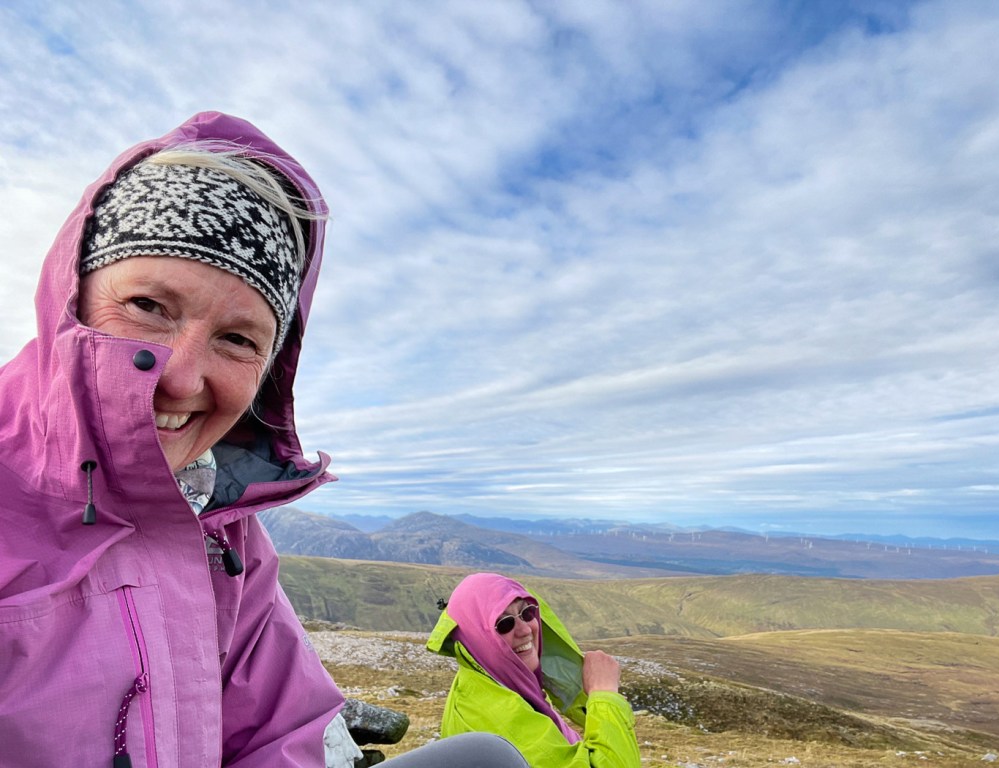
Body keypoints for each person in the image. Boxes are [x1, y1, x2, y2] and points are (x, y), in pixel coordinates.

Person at [0, 112, 528, 768]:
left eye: (237, 339)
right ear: (70, 299)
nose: (182, 378)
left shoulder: (225, 531)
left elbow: (283, 733)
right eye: (148, 306)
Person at [427, 572, 642, 768]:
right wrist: (604, 694)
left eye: (527, 612)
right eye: (504, 624)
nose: (525, 629)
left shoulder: (482, 684)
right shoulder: (504, 718)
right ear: (478, 640)